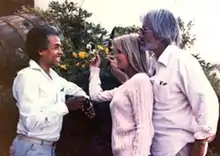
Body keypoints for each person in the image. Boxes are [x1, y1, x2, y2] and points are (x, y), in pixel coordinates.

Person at [139, 9, 219, 156]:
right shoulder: (153, 63)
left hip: (177, 149)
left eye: (144, 30)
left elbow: (207, 103)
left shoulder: (181, 61)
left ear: (159, 34)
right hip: (157, 149)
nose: (140, 35)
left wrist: (201, 143)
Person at [10, 25, 94, 156]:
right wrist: (65, 106)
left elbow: (73, 88)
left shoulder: (54, 77)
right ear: (41, 51)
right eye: (56, 47)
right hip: (32, 148)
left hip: (48, 148)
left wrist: (86, 101)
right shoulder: (27, 77)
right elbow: (30, 122)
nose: (61, 51)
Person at [89, 33, 154, 156]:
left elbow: (144, 127)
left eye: (119, 51)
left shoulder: (141, 80)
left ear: (131, 53)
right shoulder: (127, 86)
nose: (115, 56)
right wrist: (94, 70)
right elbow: (96, 96)